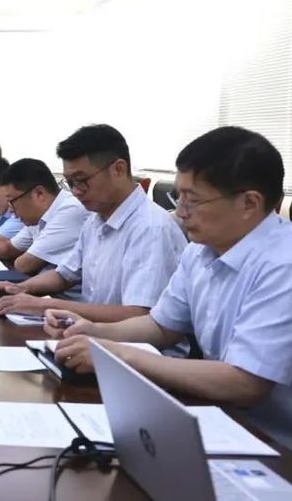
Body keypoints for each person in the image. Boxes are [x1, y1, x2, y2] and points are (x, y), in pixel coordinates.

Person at [45, 127, 292, 450]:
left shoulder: (282, 264)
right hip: (222, 421)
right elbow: (162, 325)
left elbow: (245, 383)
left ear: (249, 203)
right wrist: (93, 330)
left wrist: (116, 353)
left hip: (276, 445)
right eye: (179, 198)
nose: (181, 212)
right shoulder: (201, 250)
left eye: (192, 200)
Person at [0, 124, 187, 323]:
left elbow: (140, 315)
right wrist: (21, 288)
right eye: (70, 183)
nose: (75, 191)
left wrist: (45, 305)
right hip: (93, 333)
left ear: (118, 169)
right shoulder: (96, 219)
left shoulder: (150, 228)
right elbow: (65, 274)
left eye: (81, 180)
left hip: (128, 341)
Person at [1, 158, 91, 274]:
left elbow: (24, 265)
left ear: (39, 194)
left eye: (11, 201)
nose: (10, 209)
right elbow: (10, 248)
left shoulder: (71, 209)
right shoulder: (36, 217)